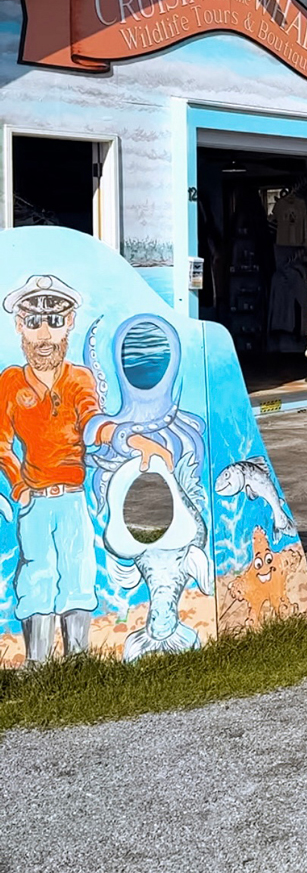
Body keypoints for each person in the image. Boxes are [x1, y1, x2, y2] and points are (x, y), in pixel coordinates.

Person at [0, 275, 171, 663]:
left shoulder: (79, 379)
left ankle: (79, 663)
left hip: (73, 499)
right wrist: (19, 488)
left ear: (71, 322)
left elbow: (94, 424)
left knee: (77, 577)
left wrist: (132, 440)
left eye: (55, 321)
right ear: (19, 326)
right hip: (33, 502)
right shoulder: (10, 383)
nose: (44, 334)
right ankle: (38, 663)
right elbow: (1, 443)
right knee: (36, 578)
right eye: (33, 322)